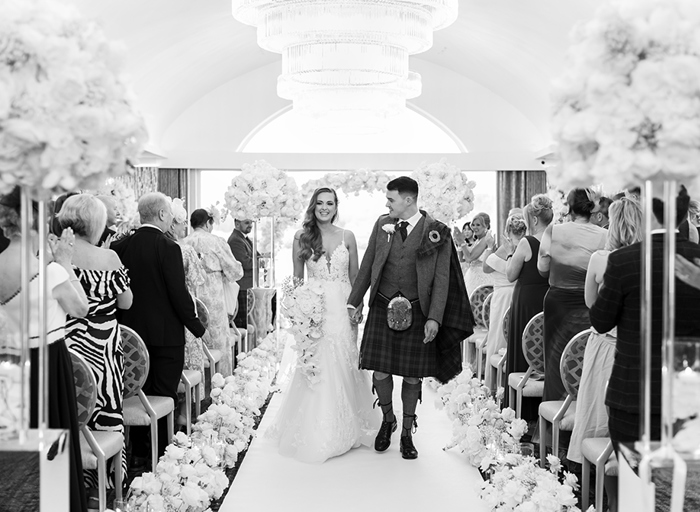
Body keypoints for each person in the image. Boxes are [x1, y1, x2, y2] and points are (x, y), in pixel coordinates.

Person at [347, 176, 473, 460]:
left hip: (419, 310)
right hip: (381, 305)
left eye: (391, 199)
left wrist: (435, 319)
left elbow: (442, 280)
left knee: (413, 375)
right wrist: (353, 302)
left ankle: (406, 432)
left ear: (408, 200)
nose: (386, 204)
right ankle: (387, 419)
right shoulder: (382, 225)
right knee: (379, 370)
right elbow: (368, 265)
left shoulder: (436, 232)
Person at [267, 187, 379, 463]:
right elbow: (296, 279)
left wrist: (358, 307)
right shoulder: (301, 237)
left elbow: (356, 277)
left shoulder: (348, 236)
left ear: (336, 206)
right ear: (313, 206)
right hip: (314, 309)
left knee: (345, 359)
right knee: (318, 362)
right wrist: (295, 309)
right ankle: (320, 427)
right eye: (320, 203)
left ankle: (351, 423)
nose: (324, 208)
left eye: (329, 203)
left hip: (343, 308)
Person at [0, 187, 89, 512]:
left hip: (9, 367)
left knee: (17, 451)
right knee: (53, 450)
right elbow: (81, 309)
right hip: (47, 365)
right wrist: (65, 262)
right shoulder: (50, 270)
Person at [591, 185, 700, 451]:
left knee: (634, 483)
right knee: (681, 486)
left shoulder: (623, 261)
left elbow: (601, 321)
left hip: (634, 396)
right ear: (684, 213)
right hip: (688, 398)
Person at [111, 192, 206, 466]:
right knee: (163, 397)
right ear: (163, 215)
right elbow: (179, 295)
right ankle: (162, 456)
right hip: (166, 339)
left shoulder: (119, 247)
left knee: (135, 396)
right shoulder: (168, 247)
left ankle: (138, 452)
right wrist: (197, 328)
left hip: (129, 340)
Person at [58, 194, 133, 499]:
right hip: (103, 351)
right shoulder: (110, 258)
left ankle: (73, 483)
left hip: (67, 346)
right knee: (106, 415)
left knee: (72, 411)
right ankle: (106, 485)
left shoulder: (55, 255)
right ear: (98, 223)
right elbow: (127, 302)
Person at [568, 195, 642, 466]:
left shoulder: (601, 259)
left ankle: (592, 476)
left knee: (595, 407)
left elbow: (591, 304)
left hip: (604, 344)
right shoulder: (647, 260)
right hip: (635, 347)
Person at [538, 188, 606, 403]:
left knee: (554, 359)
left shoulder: (553, 231)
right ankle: (582, 415)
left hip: (558, 302)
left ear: (569, 207)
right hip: (590, 302)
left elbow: (542, 268)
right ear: (591, 207)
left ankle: (552, 423)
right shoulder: (605, 234)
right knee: (585, 357)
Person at [504, 194, 552, 416]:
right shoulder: (557, 240)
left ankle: (521, 412)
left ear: (533, 220)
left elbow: (511, 275)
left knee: (524, 344)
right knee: (542, 345)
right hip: (548, 299)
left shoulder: (527, 242)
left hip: (525, 301)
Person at [182, 208, 243, 376]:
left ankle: (197, 384)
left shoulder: (183, 242)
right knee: (218, 338)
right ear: (208, 223)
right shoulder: (217, 242)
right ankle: (220, 383)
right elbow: (234, 271)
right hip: (213, 293)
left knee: (194, 337)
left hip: (190, 294)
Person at [482, 214, 526, 387]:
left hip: (502, 298)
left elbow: (486, 267)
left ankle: (493, 384)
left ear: (507, 230)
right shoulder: (525, 246)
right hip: (518, 294)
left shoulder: (504, 249)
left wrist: (490, 247)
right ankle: (508, 383)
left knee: (497, 336)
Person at [227, 218, 255, 329]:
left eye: (251, 222)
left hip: (248, 286)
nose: (251, 225)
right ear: (237, 223)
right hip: (242, 287)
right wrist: (260, 261)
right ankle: (242, 347)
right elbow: (246, 263)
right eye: (247, 223)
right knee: (242, 323)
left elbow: (256, 256)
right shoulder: (235, 240)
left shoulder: (244, 238)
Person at [462, 212, 495, 296]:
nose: (474, 227)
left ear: (486, 226)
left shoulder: (485, 240)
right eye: (473, 225)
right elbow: (464, 259)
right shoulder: (478, 240)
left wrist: (462, 243)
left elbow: (469, 258)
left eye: (478, 225)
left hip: (482, 278)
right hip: (472, 276)